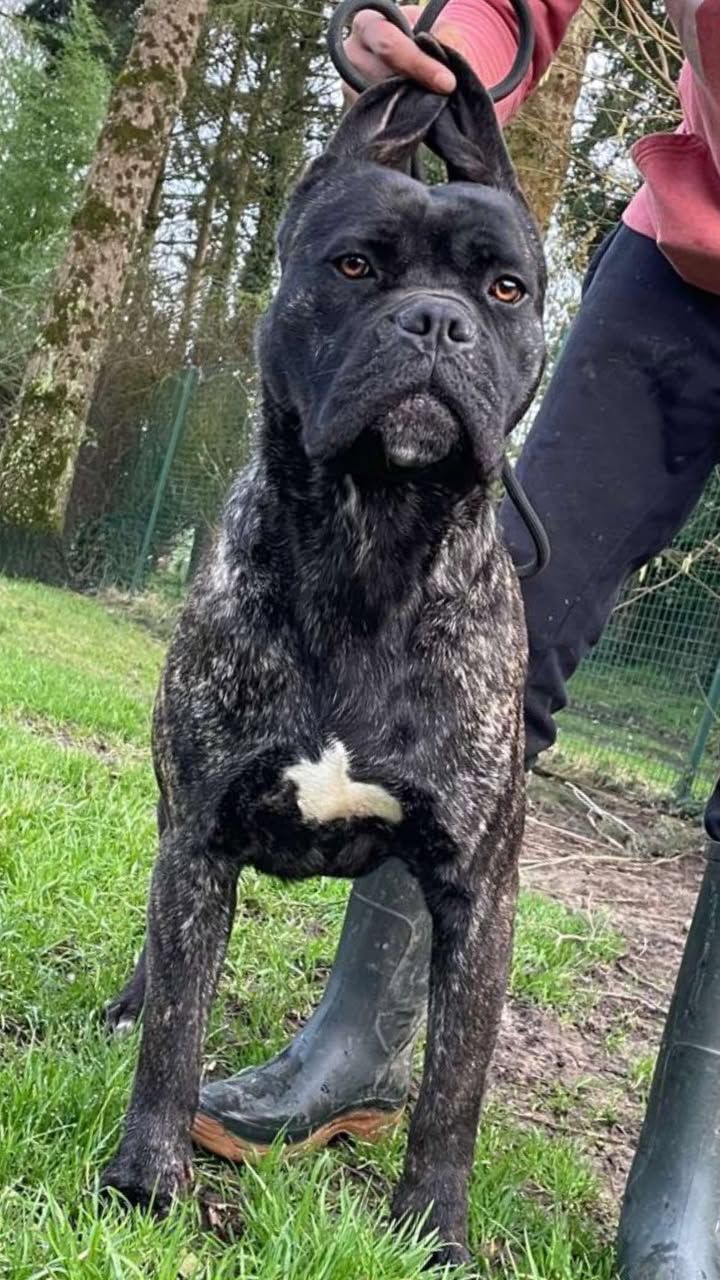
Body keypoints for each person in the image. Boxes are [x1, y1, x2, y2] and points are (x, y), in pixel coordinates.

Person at [195, 4, 720, 1273]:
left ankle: (687, 1192)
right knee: (503, 633)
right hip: (687, 264)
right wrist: (444, 37)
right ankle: (355, 1039)